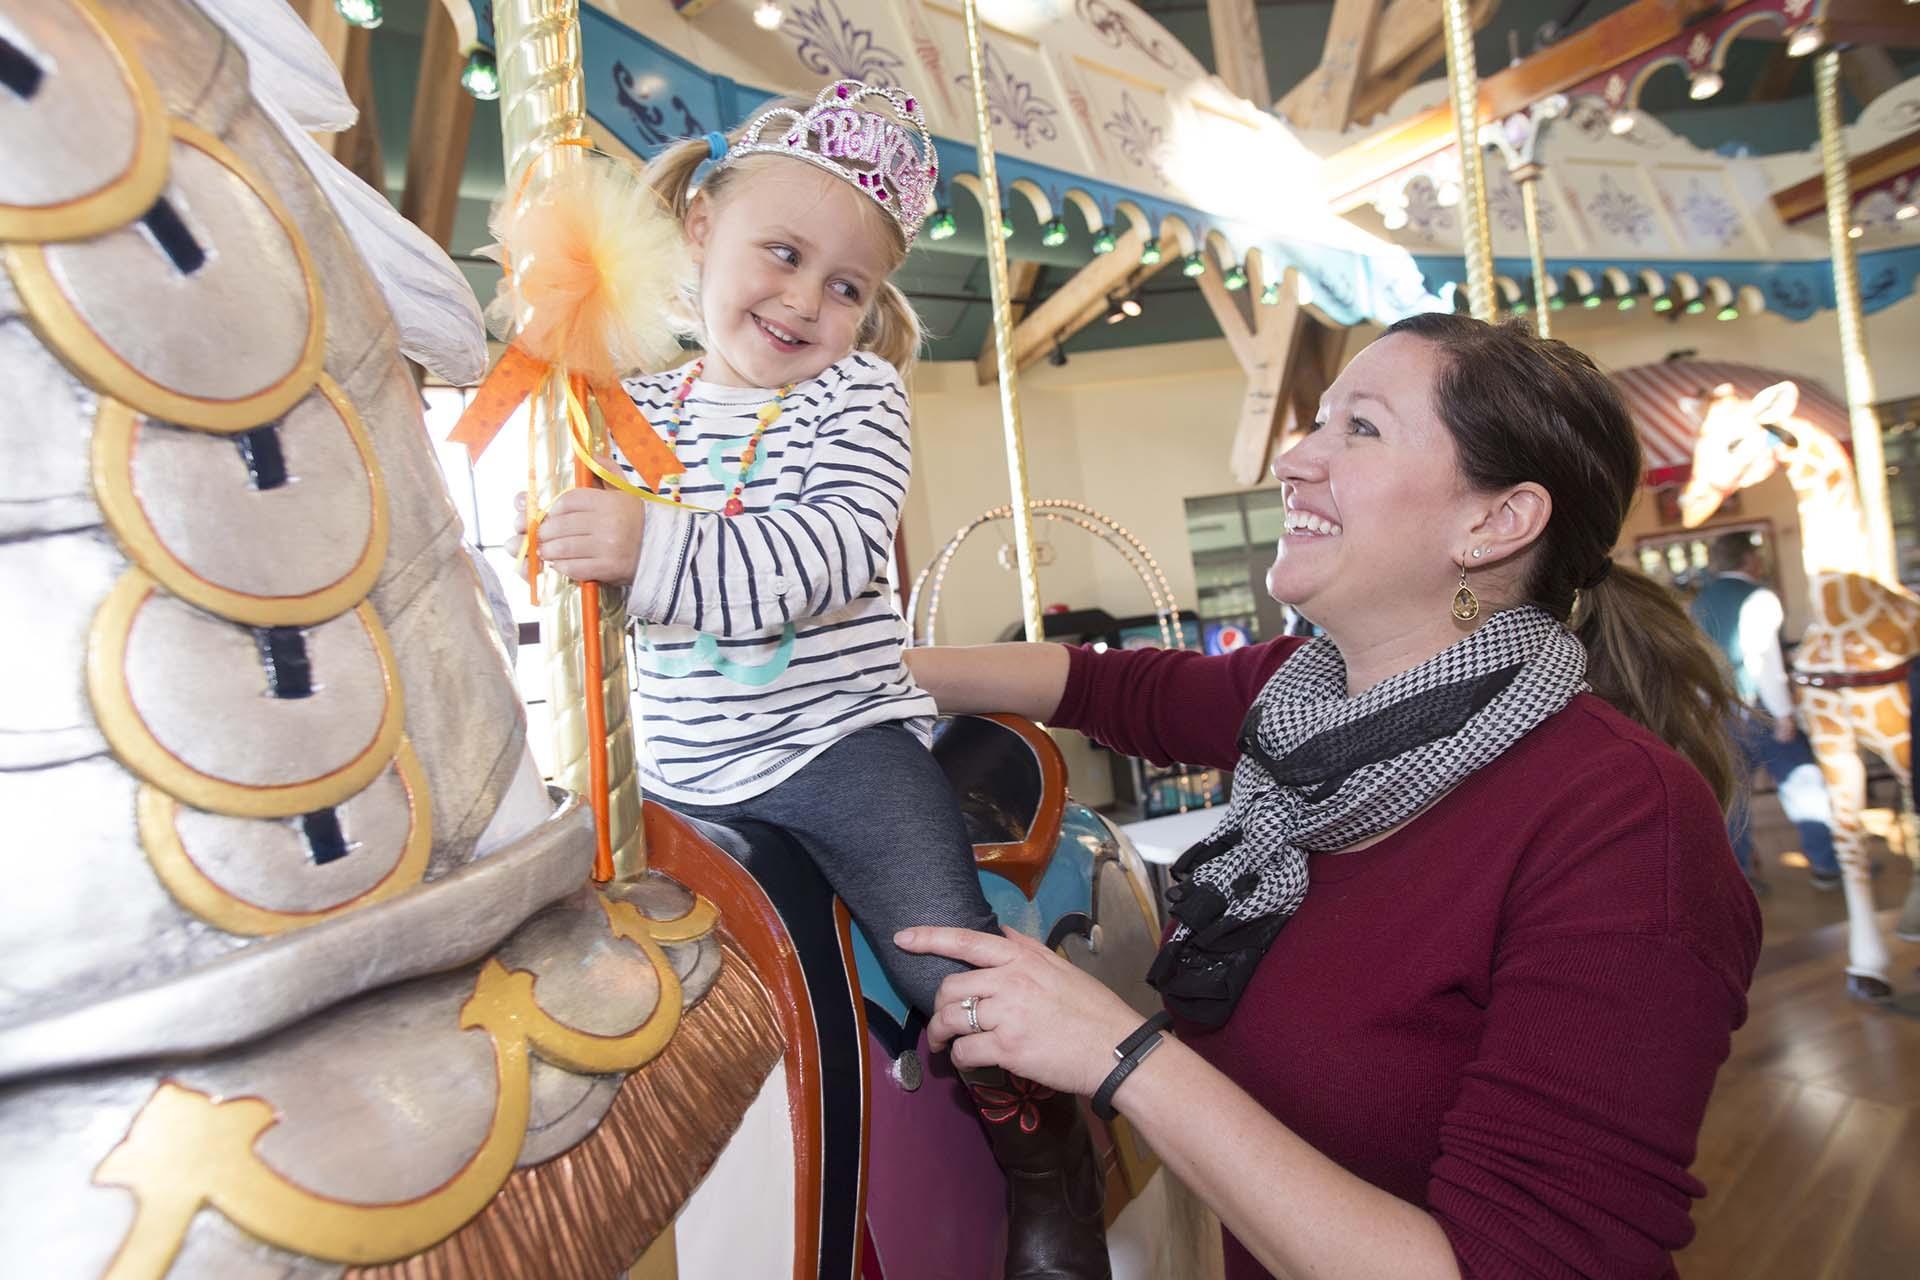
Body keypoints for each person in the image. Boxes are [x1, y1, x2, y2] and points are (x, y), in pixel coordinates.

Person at [901, 314, 1763, 1279]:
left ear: (1495, 521)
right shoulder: (1305, 700)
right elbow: (1104, 685)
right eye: (1316, 422)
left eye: (1359, 428)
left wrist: (1118, 1052)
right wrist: (855, 675)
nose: (1295, 458)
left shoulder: (1623, 825)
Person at [511, 81, 1109, 1277]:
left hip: (836, 751)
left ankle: (1047, 1161)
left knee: (949, 960)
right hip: (679, 768)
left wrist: (647, 542)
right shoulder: (636, 410)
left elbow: (829, 551)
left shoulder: (856, 398)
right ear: (701, 233)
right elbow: (600, 592)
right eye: (780, 255)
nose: (805, 301)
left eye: (847, 286)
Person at [1689, 530, 1844, 891]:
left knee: (1733, 796)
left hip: (1716, 710)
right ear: (1749, 560)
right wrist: (1785, 713)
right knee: (1804, 780)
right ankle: (1826, 866)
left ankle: (1741, 876)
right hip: (1759, 708)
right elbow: (1765, 661)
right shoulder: (1759, 598)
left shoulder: (1700, 601)